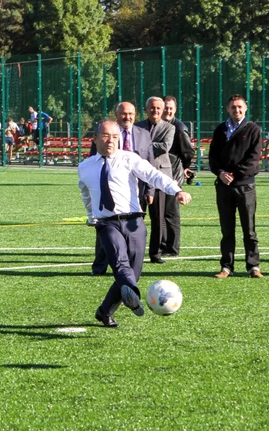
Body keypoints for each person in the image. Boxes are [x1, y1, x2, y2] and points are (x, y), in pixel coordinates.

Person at [78, 120, 192, 328]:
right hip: (107, 223)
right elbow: (86, 194)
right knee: (121, 264)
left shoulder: (129, 159)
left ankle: (105, 311)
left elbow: (154, 175)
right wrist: (90, 215)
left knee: (133, 273)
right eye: (105, 136)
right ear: (95, 139)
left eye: (114, 137)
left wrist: (176, 190)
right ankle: (134, 297)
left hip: (134, 222)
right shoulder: (85, 167)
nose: (110, 141)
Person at [90, 102, 154, 276]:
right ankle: (100, 265)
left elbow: (150, 164)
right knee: (106, 229)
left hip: (135, 189)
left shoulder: (144, 134)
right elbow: (94, 160)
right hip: (109, 187)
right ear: (117, 115)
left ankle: (129, 268)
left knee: (133, 229)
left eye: (131, 114)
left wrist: (150, 190)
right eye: (124, 114)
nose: (128, 117)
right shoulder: (104, 132)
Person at [209, 94, 263, 279]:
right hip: (224, 186)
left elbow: (253, 160)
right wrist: (221, 173)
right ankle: (226, 267)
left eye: (240, 107)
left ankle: (253, 266)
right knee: (227, 229)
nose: (237, 110)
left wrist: (234, 174)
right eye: (233, 107)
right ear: (227, 109)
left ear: (246, 108)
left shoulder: (253, 130)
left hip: (245, 186)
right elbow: (213, 158)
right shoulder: (220, 130)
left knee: (249, 229)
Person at [136, 97, 175, 264]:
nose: (156, 111)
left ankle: (155, 253)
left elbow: (165, 147)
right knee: (136, 217)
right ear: (146, 109)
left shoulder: (169, 127)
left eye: (159, 108)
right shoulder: (137, 126)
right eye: (152, 108)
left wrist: (143, 146)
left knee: (158, 218)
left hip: (159, 177)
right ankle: (135, 250)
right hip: (138, 178)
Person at [161, 95, 194, 257]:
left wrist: (185, 167)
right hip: (160, 174)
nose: (167, 110)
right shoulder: (159, 125)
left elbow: (188, 151)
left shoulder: (179, 128)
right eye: (165, 107)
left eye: (170, 108)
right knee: (160, 212)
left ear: (175, 110)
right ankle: (162, 244)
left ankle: (172, 248)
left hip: (173, 175)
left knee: (171, 212)